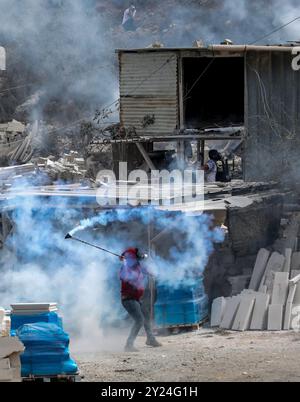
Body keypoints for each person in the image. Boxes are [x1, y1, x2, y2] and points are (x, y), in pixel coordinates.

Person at [120, 247, 162, 352]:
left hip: (136, 298)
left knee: (146, 316)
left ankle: (150, 339)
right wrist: (125, 264)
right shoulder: (125, 268)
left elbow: (145, 270)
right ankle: (128, 345)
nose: (141, 259)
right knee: (139, 320)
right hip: (128, 299)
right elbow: (125, 277)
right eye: (139, 257)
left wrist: (152, 273)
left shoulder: (136, 265)